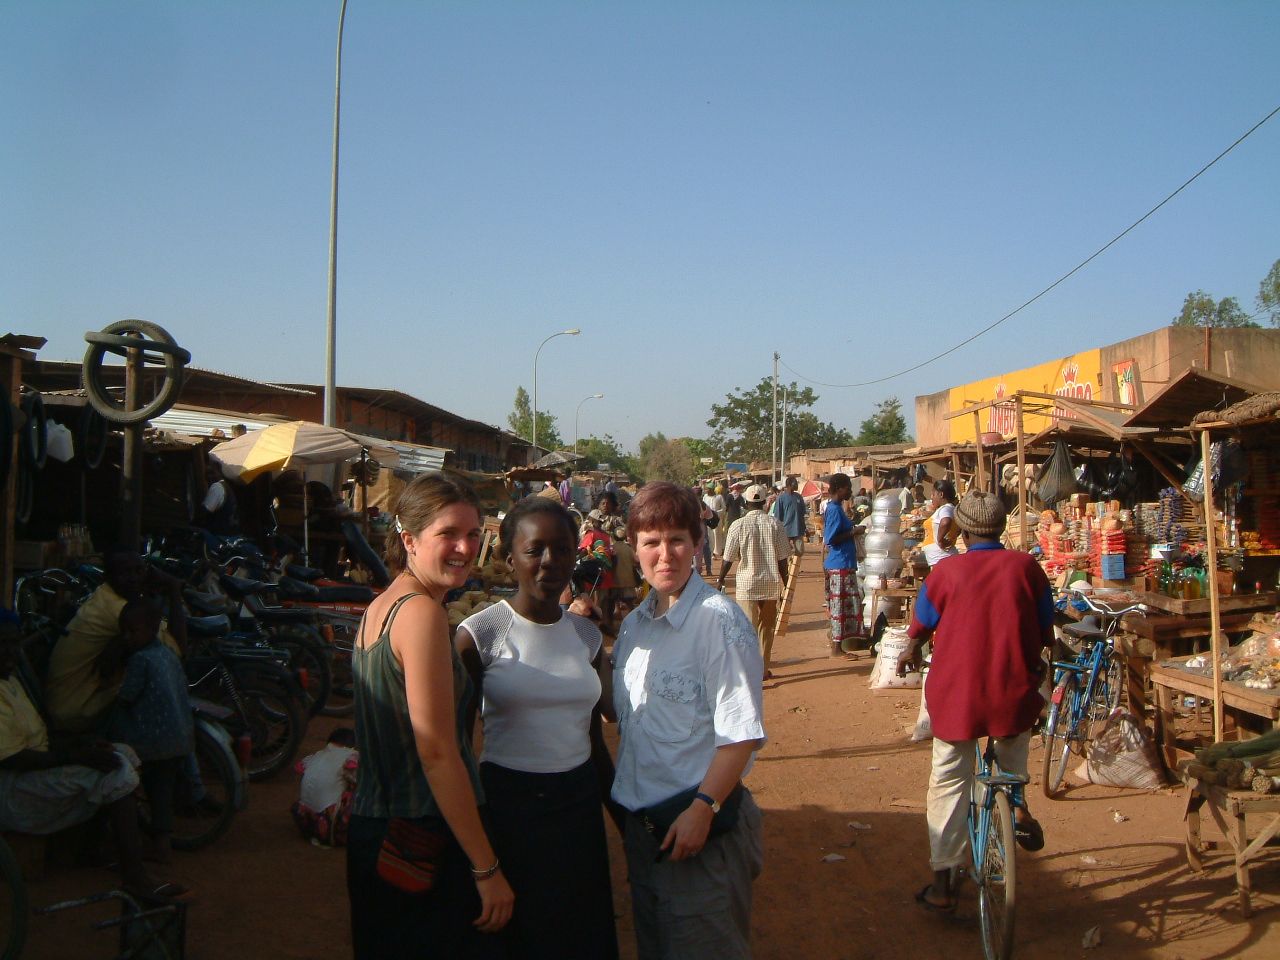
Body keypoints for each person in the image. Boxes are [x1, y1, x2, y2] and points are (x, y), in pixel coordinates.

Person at [347, 473, 513, 958]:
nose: (464, 547)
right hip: (419, 838)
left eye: (473, 534)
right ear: (409, 539)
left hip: (377, 830)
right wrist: (486, 868)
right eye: (448, 534)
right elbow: (437, 751)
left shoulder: (382, 607)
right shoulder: (420, 614)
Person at [455, 498, 620, 960]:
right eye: (536, 550)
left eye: (563, 549)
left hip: (578, 810)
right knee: (518, 937)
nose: (551, 562)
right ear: (510, 559)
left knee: (578, 934)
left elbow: (593, 739)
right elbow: (458, 748)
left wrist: (622, 819)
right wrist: (479, 853)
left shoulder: (586, 637)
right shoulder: (479, 635)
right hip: (510, 809)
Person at [612, 482, 765, 960]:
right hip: (644, 832)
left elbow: (740, 736)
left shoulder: (717, 621)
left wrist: (703, 809)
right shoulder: (636, 626)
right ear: (634, 548)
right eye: (651, 542)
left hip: (697, 835)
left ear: (697, 542)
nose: (665, 554)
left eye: (677, 539)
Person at [894, 490, 1050, 913]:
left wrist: (909, 651)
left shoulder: (945, 574)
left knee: (948, 780)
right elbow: (1045, 623)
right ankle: (1016, 805)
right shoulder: (1026, 567)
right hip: (1012, 691)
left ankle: (944, 883)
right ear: (1001, 527)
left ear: (961, 529)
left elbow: (920, 627)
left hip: (957, 696)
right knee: (1013, 750)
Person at [0, 614, 188, 900]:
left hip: (26, 777)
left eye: (14, 644)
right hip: (11, 791)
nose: (13, 652)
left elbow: (37, 741)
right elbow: (13, 759)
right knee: (115, 772)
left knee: (120, 753)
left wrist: (84, 746)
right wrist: (78, 755)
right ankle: (135, 877)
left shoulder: (9, 681)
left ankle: (90, 848)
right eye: (4, 645)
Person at [45, 547, 187, 735]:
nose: (134, 578)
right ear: (109, 577)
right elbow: (176, 651)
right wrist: (174, 588)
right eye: (125, 573)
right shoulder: (117, 610)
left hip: (70, 697)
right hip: (73, 707)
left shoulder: (107, 595)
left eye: (139, 570)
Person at [106, 600, 195, 866]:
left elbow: (127, 697)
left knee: (144, 787)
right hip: (179, 735)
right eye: (125, 632)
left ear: (153, 628)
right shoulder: (167, 653)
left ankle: (149, 844)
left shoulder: (140, 659)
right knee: (162, 793)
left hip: (153, 740)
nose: (127, 638)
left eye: (132, 632)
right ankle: (162, 843)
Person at [718, 484, 791, 680]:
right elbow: (783, 559)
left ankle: (748, 671)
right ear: (765, 502)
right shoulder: (776, 524)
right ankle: (763, 669)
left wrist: (720, 579)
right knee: (766, 629)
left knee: (747, 629)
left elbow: (728, 557)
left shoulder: (738, 525)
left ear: (747, 503)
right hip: (770, 582)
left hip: (747, 584)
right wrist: (787, 586)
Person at [293, 727, 359, 847]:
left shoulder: (316, 756)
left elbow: (298, 768)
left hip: (306, 823)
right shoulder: (351, 756)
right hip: (331, 829)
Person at [822, 474, 864, 658]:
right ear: (839, 488)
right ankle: (837, 648)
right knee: (839, 607)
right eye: (848, 487)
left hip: (844, 563)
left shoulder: (838, 508)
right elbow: (831, 539)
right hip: (838, 564)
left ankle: (839, 645)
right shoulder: (834, 510)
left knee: (843, 606)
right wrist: (854, 531)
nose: (850, 491)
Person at [920, 479, 959, 567]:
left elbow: (946, 522)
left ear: (941, 494)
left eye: (933, 494)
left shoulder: (946, 508)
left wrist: (940, 540)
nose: (931, 497)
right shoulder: (948, 508)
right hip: (940, 558)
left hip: (941, 558)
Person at [199, 462, 240, 536]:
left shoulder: (217, 486)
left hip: (219, 536)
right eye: (207, 474)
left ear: (220, 473)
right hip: (230, 533)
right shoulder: (226, 486)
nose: (209, 476)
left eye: (212, 473)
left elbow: (205, 510)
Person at [771, 476, 807, 556]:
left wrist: (805, 528)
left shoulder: (799, 497)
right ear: (789, 485)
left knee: (800, 551)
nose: (796, 484)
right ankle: (787, 567)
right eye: (794, 483)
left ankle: (795, 568)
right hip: (785, 530)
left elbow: (802, 514)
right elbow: (777, 517)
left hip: (798, 530)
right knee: (785, 553)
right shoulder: (781, 498)